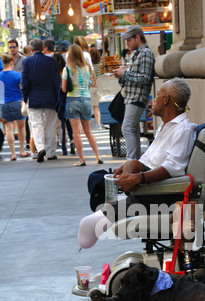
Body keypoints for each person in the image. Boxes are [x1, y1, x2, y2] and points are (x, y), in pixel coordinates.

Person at [78, 77, 197, 249]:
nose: (153, 100)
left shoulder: (183, 129)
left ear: (166, 100)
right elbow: (147, 160)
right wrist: (128, 168)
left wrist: (139, 178)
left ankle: (104, 217)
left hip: (159, 194)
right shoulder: (165, 127)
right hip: (148, 192)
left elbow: (173, 168)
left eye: (157, 95)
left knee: (88, 224)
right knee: (101, 181)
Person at [112, 25, 155, 160]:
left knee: (127, 128)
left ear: (137, 37)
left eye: (129, 40)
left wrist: (125, 74)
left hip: (137, 97)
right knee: (132, 129)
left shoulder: (146, 53)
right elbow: (135, 76)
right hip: (131, 96)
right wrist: (122, 75)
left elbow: (146, 77)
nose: (127, 43)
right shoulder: (136, 54)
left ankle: (131, 160)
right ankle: (134, 160)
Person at [62, 43, 103, 166]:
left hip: (72, 100)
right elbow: (91, 83)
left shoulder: (67, 69)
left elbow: (64, 89)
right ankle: (98, 156)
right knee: (88, 131)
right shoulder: (88, 68)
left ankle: (81, 159)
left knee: (76, 132)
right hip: (86, 100)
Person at [21, 38, 61, 162]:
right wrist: (57, 98)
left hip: (34, 98)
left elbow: (25, 82)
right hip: (50, 98)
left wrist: (25, 96)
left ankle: (40, 148)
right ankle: (50, 152)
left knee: (36, 124)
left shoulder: (27, 62)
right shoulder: (51, 61)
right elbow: (56, 81)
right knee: (51, 125)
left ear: (31, 49)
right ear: (42, 47)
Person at [0, 53, 28, 160]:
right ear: (12, 62)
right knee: (21, 128)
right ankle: (22, 150)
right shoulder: (18, 75)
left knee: (9, 130)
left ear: (3, 63)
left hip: (4, 104)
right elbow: (22, 89)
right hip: (17, 102)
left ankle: (13, 154)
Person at [89, 47, 102, 129]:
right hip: (101, 86)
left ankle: (98, 124)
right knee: (102, 105)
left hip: (93, 87)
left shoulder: (90, 67)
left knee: (95, 107)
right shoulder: (101, 65)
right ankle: (103, 122)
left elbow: (90, 78)